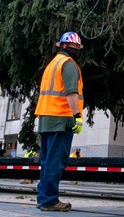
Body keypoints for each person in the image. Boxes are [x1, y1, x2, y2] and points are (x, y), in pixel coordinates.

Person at [34, 31, 85, 212]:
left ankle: (44, 198)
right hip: (61, 118)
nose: (77, 50)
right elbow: (71, 92)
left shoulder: (52, 64)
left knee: (47, 161)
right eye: (76, 47)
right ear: (64, 46)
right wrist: (77, 116)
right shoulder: (69, 64)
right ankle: (49, 200)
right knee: (56, 161)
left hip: (46, 117)